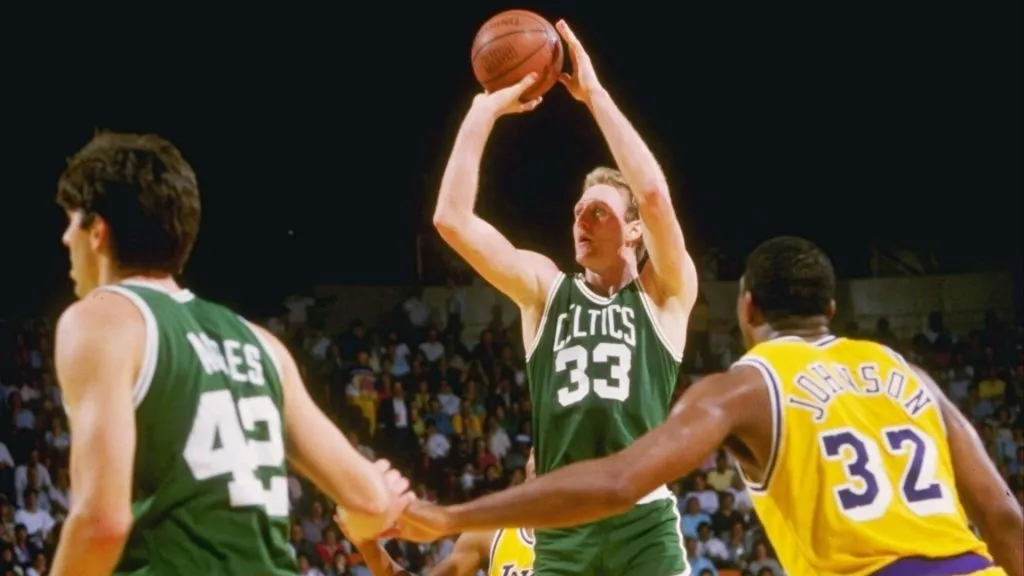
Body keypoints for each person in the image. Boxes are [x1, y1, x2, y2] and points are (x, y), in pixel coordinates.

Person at [401, 236, 1024, 576]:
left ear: (746, 308)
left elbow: (620, 480)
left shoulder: (744, 387)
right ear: (830, 311)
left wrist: (456, 515)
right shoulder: (908, 373)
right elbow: (1002, 516)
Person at [48, 132, 411, 576]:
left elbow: (101, 524)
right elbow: (372, 503)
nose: (66, 238)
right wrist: (375, 496)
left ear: (98, 232)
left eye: (71, 221)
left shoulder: (101, 322)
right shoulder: (261, 343)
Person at [431, 19, 697, 576]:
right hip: (561, 526)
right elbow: (451, 219)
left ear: (632, 232)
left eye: (598, 211)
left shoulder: (665, 296)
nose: (581, 219)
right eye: (577, 211)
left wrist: (594, 95)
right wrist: (483, 113)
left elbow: (650, 193)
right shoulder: (544, 291)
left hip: (642, 520)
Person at [338, 451, 538, 576]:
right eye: (537, 452)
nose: (542, 460)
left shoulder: (570, 534)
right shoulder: (489, 535)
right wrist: (368, 545)